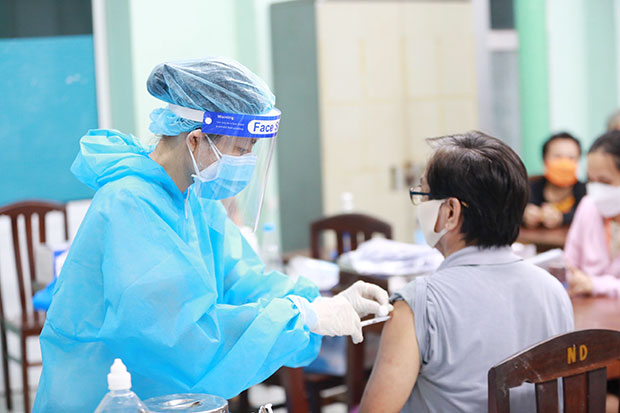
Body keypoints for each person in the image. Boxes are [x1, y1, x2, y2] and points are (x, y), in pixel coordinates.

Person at [33, 57, 391, 412]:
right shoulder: (129, 205)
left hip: (163, 398)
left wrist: (321, 302)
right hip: (100, 398)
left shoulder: (194, 200)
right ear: (195, 140)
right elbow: (179, 336)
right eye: (240, 149)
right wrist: (301, 316)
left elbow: (242, 279)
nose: (246, 161)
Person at [360, 131, 573, 412]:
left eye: (423, 194)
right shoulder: (554, 291)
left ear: (450, 211)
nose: (420, 206)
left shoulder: (418, 304)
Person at [565, 130, 620, 297]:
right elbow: (569, 264)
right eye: (590, 180)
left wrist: (595, 284)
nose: (596, 189)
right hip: (586, 308)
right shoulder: (588, 206)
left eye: (604, 181)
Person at [523, 132, 585, 229]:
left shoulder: (585, 192)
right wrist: (523, 215)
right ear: (545, 159)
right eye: (558, 156)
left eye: (571, 158)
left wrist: (562, 218)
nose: (564, 163)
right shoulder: (528, 189)